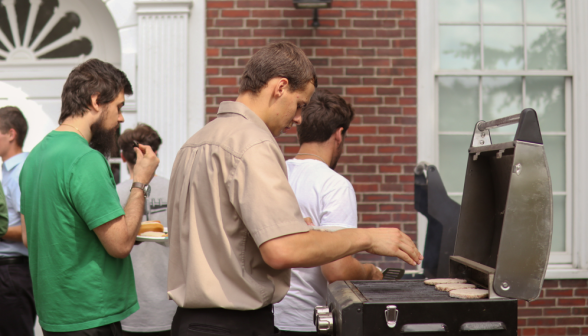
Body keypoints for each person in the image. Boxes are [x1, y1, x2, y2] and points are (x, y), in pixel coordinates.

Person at [167, 41, 423, 335]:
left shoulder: (193, 143)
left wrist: (296, 229)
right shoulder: (254, 143)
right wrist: (367, 237)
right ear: (280, 87)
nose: (299, 118)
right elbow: (281, 251)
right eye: (300, 104)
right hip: (234, 325)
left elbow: (219, 232)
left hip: (187, 322)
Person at [19, 59, 160, 335]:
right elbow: (119, 244)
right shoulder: (85, 158)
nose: (121, 118)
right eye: (119, 107)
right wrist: (140, 182)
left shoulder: (34, 156)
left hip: (54, 317)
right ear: (97, 101)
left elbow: (28, 235)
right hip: (91, 315)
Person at [274, 90, 384, 335]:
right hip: (309, 322)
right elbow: (338, 269)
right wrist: (370, 273)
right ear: (339, 134)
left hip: (270, 318)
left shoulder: (277, 174)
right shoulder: (335, 185)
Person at [116, 124, 176, 336]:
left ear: (123, 157)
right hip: (171, 305)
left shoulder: (113, 194)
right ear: (154, 154)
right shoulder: (176, 190)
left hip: (128, 306)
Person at [0, 106, 36, 336]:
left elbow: (29, 229)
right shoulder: (8, 171)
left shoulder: (22, 170)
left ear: (11, 134)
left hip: (13, 272)